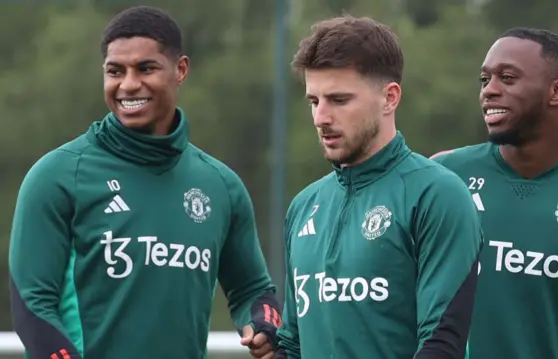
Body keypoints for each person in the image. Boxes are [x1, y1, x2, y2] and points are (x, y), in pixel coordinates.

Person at [9, 6, 280, 359]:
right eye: (115, 71)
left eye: (146, 68)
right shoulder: (57, 176)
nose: (128, 84)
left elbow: (252, 289)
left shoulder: (220, 185)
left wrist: (263, 325)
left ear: (180, 70)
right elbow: (32, 307)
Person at [275, 16, 483, 359]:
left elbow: (441, 344)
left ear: (389, 98)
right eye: (314, 101)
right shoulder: (304, 206)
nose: (320, 117)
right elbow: (293, 343)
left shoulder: (437, 195)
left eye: (339, 100)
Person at [431, 27, 558, 359]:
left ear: (557, 91)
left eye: (508, 78)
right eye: (485, 80)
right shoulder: (443, 177)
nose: (489, 91)